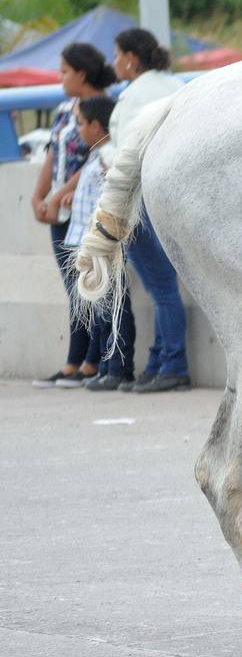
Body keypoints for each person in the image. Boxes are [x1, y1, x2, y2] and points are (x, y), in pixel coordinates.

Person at [29, 43, 117, 388]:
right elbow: (53, 153)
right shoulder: (66, 109)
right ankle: (75, 360)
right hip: (60, 211)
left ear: (81, 73)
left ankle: (93, 360)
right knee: (73, 289)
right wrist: (40, 196)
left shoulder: (104, 108)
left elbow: (97, 159)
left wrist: (61, 193)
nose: (60, 77)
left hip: (84, 207)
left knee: (92, 286)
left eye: (64, 71)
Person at [110, 27, 190, 392]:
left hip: (139, 198)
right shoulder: (177, 86)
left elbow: (124, 154)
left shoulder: (132, 97)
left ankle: (172, 365)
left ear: (131, 58)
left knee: (161, 288)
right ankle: (159, 363)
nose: (114, 63)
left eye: (117, 55)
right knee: (164, 286)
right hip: (175, 195)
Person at [64, 95, 137, 391]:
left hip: (105, 245)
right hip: (88, 242)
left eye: (81, 124)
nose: (79, 130)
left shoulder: (110, 156)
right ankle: (106, 367)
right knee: (100, 311)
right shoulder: (96, 155)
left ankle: (119, 368)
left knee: (113, 307)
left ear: (96, 125)